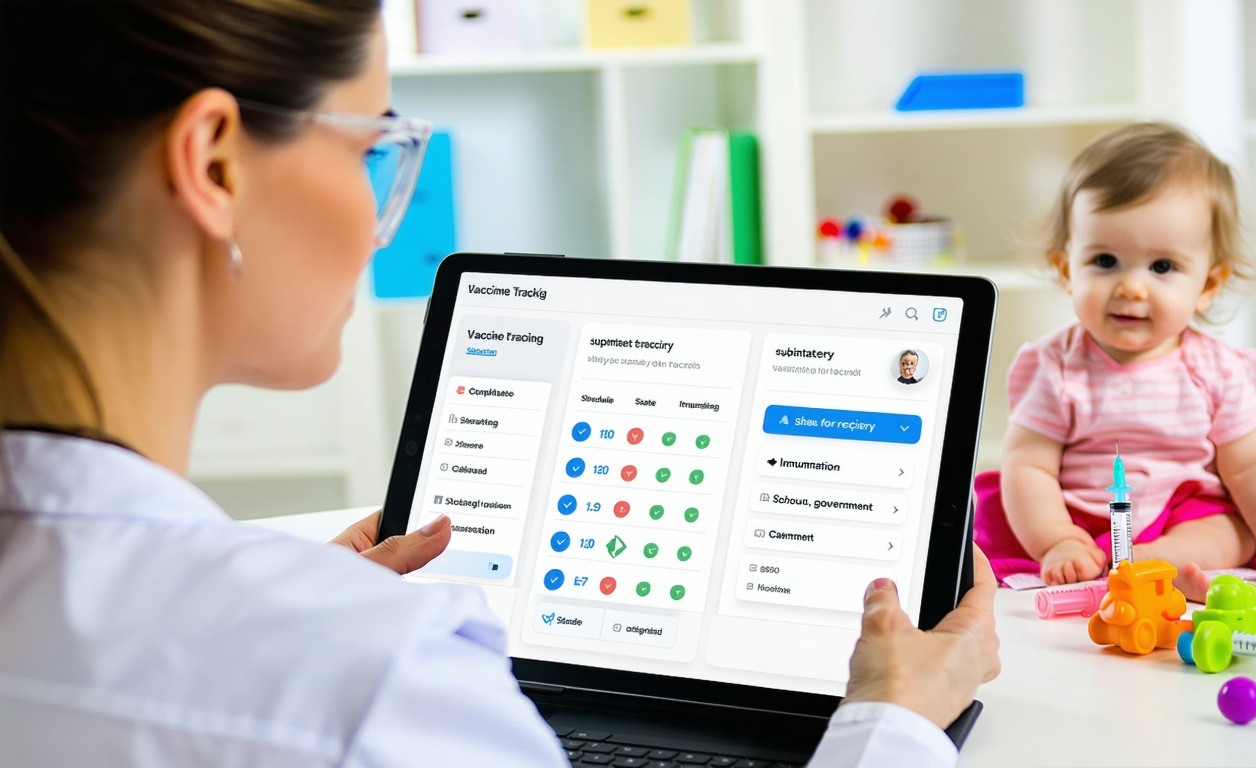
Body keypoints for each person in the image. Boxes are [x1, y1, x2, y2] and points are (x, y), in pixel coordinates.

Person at [0, 2, 999, 765]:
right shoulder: (373, 681)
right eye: (372, 145)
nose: (379, 208)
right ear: (214, 163)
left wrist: (293, 607)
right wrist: (893, 725)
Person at [973, 122, 1256, 598]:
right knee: (1012, 510)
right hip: (1083, 517)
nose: (1131, 287)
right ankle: (1101, 560)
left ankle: (1160, 561)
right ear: (1067, 270)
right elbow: (1029, 465)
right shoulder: (1056, 366)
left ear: (1208, 285)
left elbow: (1252, 465)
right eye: (1105, 261)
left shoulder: (1217, 370)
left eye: (1162, 267)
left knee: (1232, 529)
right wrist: (1057, 541)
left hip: (1186, 511)